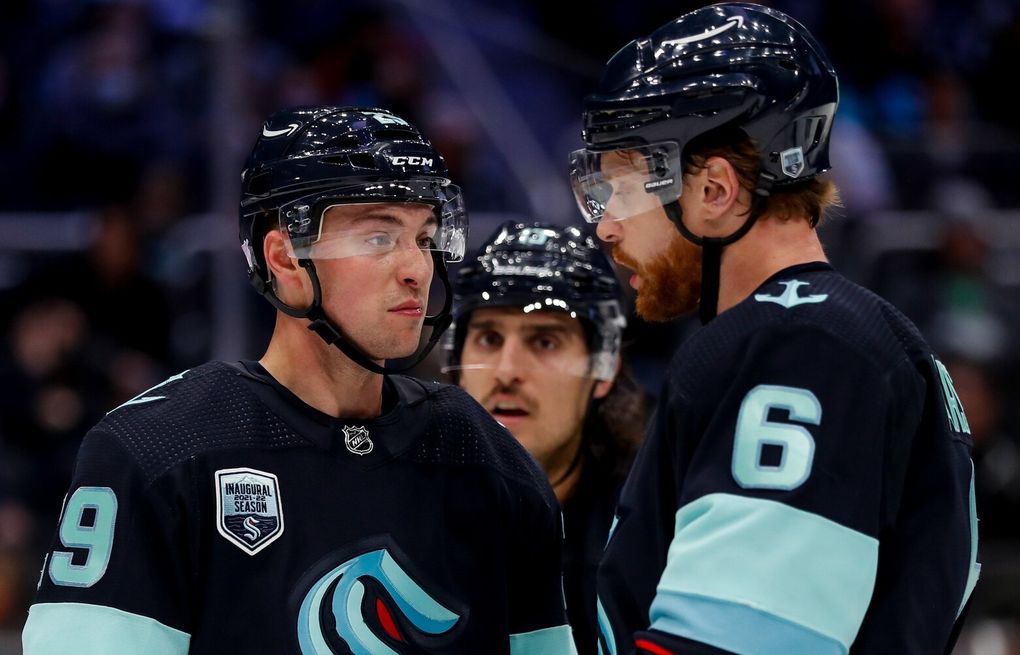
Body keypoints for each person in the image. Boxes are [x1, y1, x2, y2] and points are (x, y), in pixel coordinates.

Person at [23, 106, 577, 654]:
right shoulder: (155, 450)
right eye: (380, 237)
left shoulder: (490, 462)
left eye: (425, 236)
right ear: (285, 258)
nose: (418, 268)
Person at [567, 4, 980, 654]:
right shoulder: (839, 336)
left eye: (621, 187)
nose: (606, 225)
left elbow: (738, 644)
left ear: (714, 189)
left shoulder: (799, 345)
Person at [446, 221, 645, 653]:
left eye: (545, 341)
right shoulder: (406, 508)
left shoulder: (649, 535)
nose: (506, 372)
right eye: (488, 338)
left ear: (604, 366)